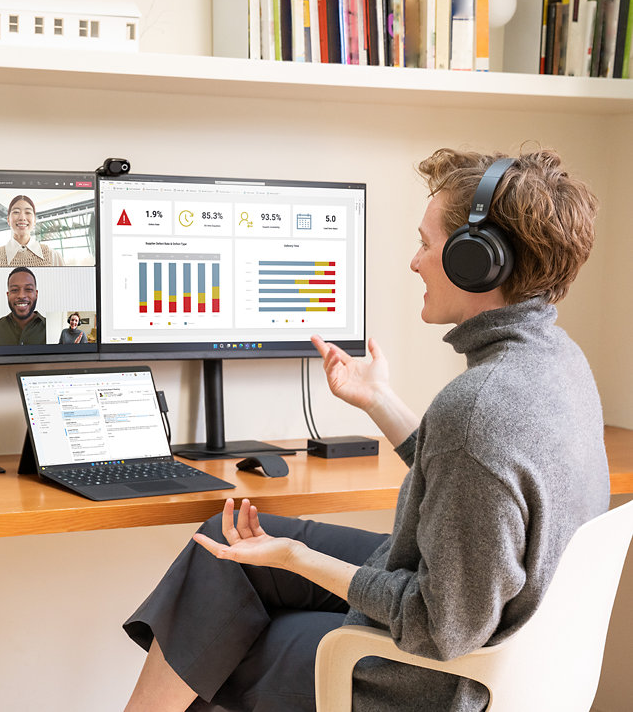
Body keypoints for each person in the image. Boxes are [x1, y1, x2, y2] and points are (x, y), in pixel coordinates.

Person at [121, 148, 610, 712]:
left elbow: (440, 627)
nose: (414, 262)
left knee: (217, 638)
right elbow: (468, 481)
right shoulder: (558, 360)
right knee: (221, 543)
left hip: (427, 678)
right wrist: (377, 400)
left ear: (477, 260)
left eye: (426, 244)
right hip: (491, 622)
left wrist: (295, 560)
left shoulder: (478, 407)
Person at [0, 195, 64, 267]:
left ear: (34, 220)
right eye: (16, 212)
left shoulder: (52, 256)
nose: (22, 217)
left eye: (28, 212)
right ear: (8, 220)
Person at [0, 267, 46, 346]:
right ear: (8, 295)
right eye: (14, 290)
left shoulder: (51, 328)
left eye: (28, 289)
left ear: (36, 294)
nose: (21, 295)